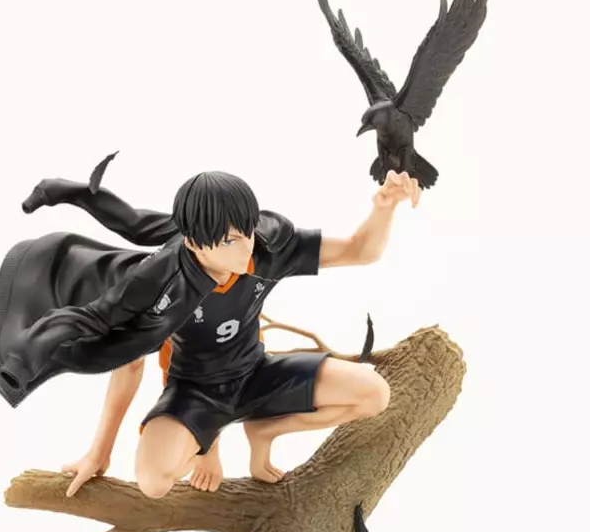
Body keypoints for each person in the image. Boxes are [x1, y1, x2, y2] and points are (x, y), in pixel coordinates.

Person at [57, 166, 420, 499]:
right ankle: (208, 436)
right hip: (195, 393)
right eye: (229, 241)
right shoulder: (161, 282)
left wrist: (385, 205)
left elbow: (360, 251)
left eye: (246, 231)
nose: (246, 247)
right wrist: (100, 452)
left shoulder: (266, 251)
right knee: (153, 483)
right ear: (193, 244)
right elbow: (129, 366)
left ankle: (264, 430)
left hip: (257, 373)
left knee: (375, 394)